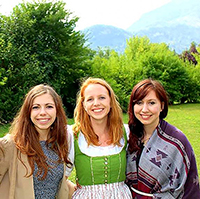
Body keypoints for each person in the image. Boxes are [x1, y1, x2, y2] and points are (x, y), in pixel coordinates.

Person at [126, 78, 200, 198]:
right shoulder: (129, 135)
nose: (144, 109)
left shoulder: (177, 140)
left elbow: (190, 186)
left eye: (151, 103)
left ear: (162, 106)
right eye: (139, 103)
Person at [0, 84, 73, 199]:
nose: (43, 112)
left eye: (49, 106)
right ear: (28, 112)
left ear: (57, 110)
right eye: (36, 107)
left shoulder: (59, 143)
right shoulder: (10, 145)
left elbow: (52, 182)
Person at [66, 77, 132, 198]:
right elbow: (60, 177)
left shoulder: (126, 132)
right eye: (90, 99)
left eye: (102, 97)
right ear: (83, 105)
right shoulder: (72, 135)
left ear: (110, 102)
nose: (96, 103)